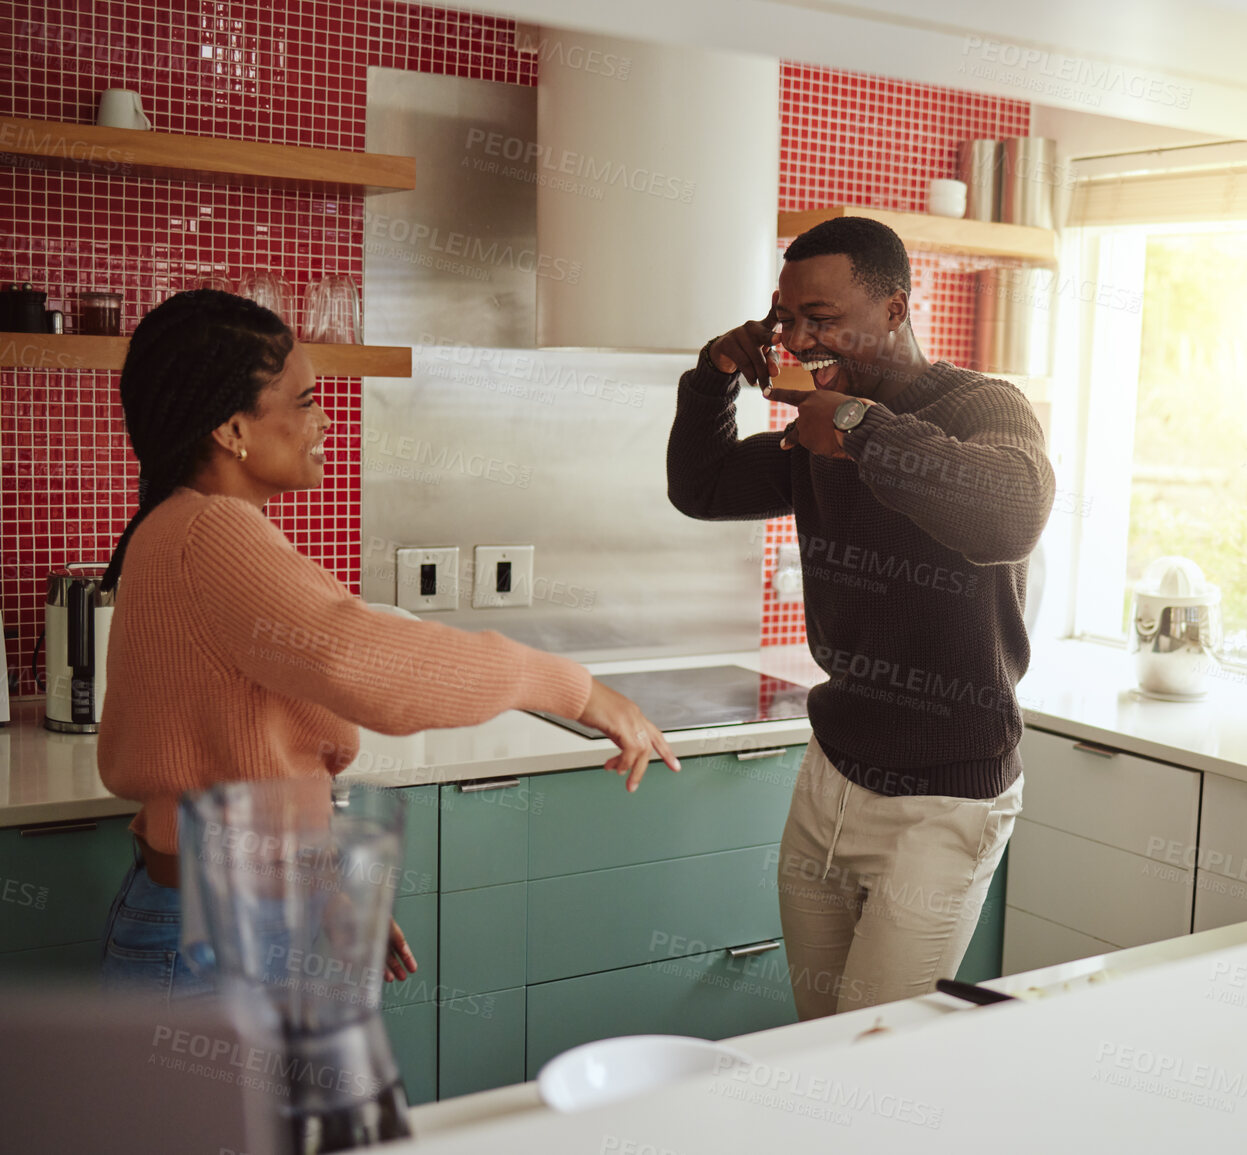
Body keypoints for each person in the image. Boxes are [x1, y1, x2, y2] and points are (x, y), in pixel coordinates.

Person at [97, 290, 679, 1000]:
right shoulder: (214, 532)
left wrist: (322, 888)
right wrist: (576, 689)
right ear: (231, 428)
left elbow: (244, 764)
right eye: (305, 400)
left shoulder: (181, 526)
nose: (326, 418)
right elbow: (364, 663)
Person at [666, 217, 1055, 1018]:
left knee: (881, 1049)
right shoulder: (817, 425)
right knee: (819, 1034)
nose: (800, 337)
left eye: (821, 317)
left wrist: (852, 426)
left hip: (945, 798)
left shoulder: (982, 405)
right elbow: (700, 488)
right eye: (786, 318)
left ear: (894, 309)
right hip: (831, 778)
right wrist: (712, 377)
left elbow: (1011, 512)